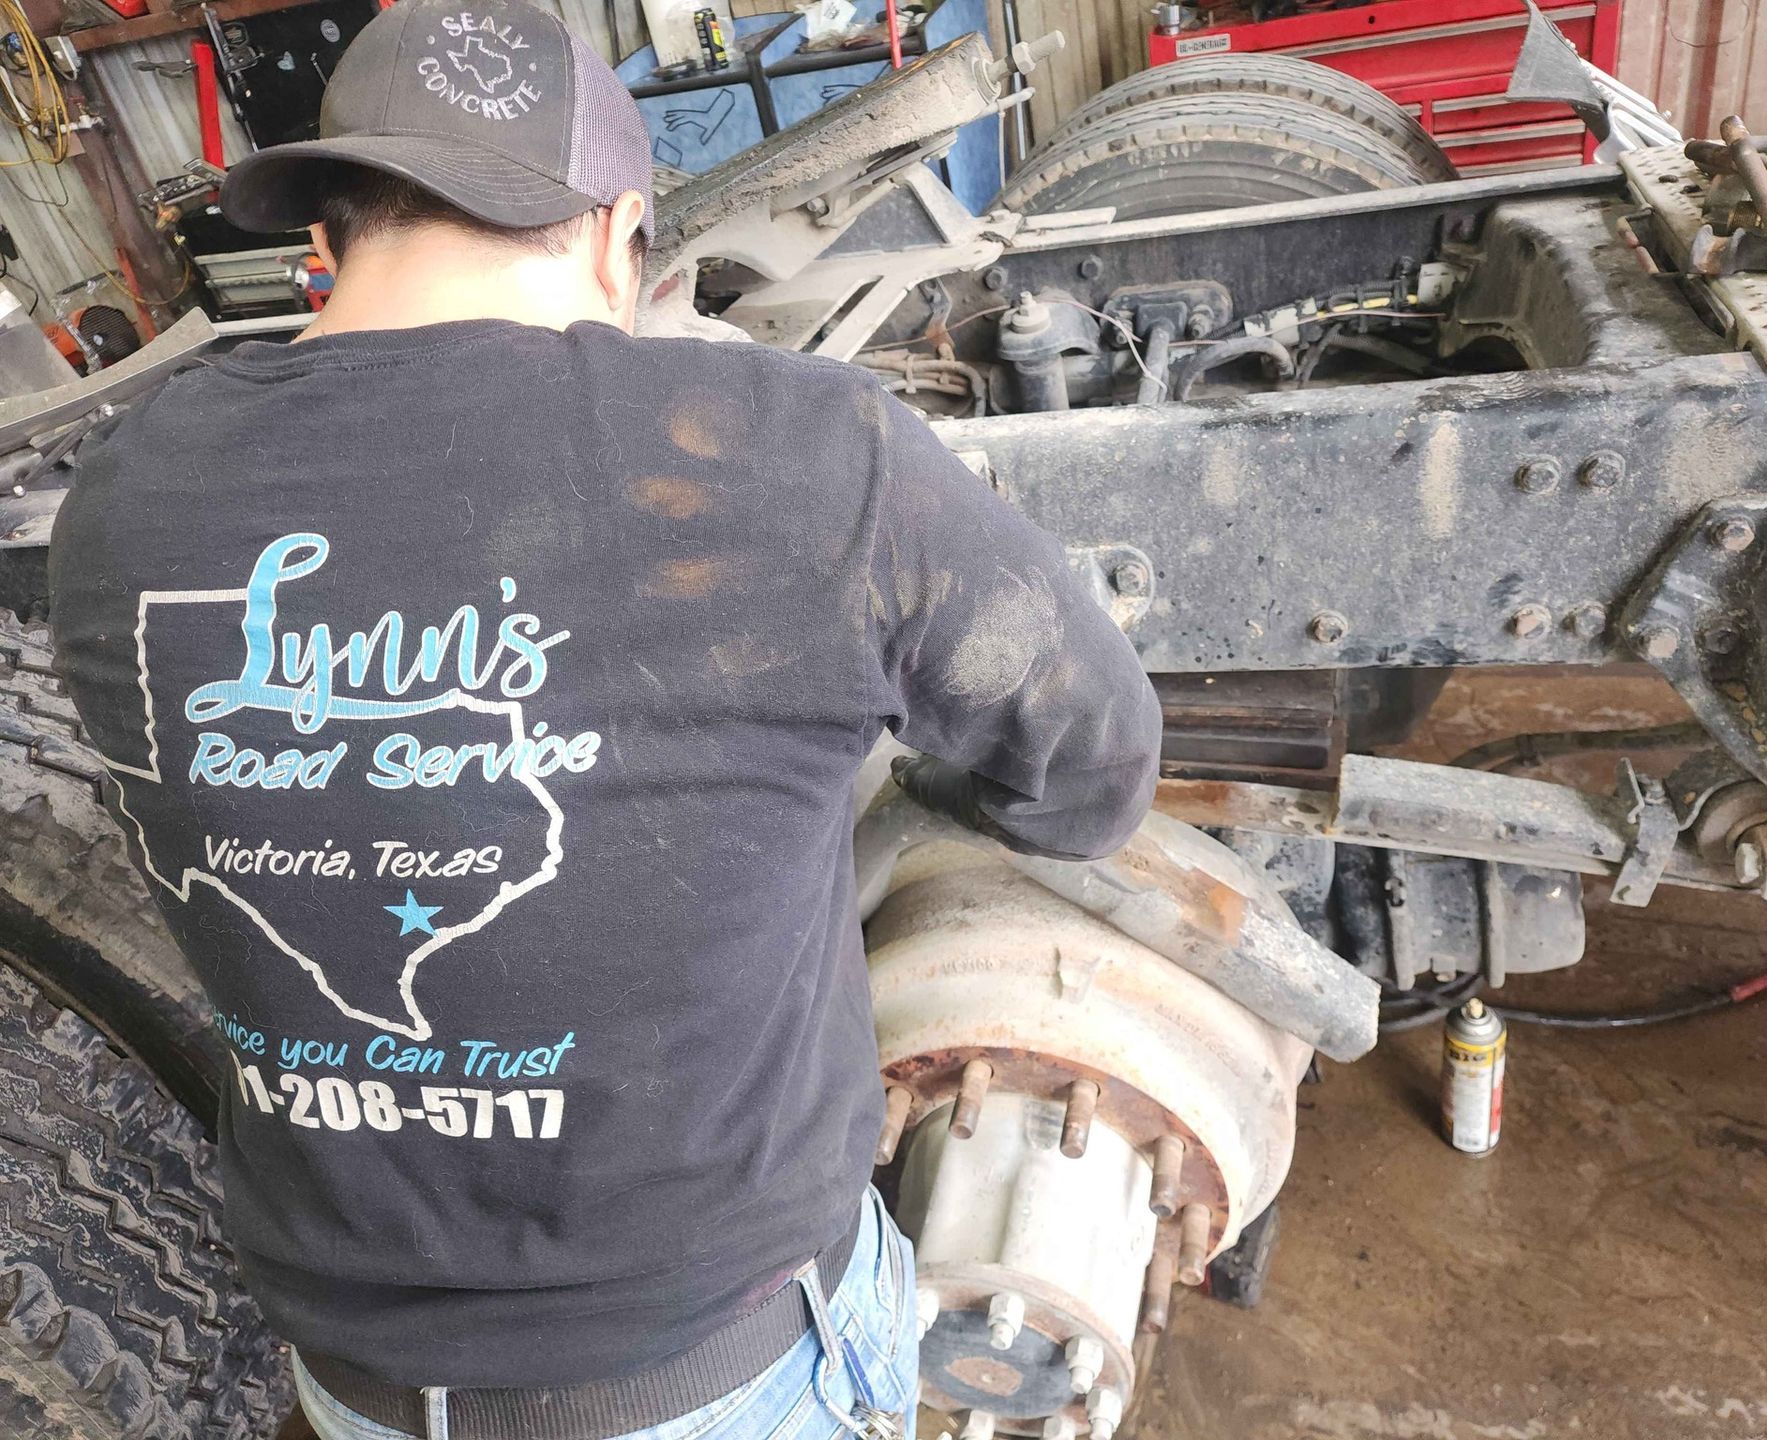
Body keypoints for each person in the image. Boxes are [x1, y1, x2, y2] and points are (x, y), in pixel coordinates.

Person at [46, 0, 1162, 1436]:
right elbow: (1094, 776)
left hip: (350, 1386)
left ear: (326, 245)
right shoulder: (811, 454)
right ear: (618, 234)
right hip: (724, 1373)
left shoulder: (122, 495)